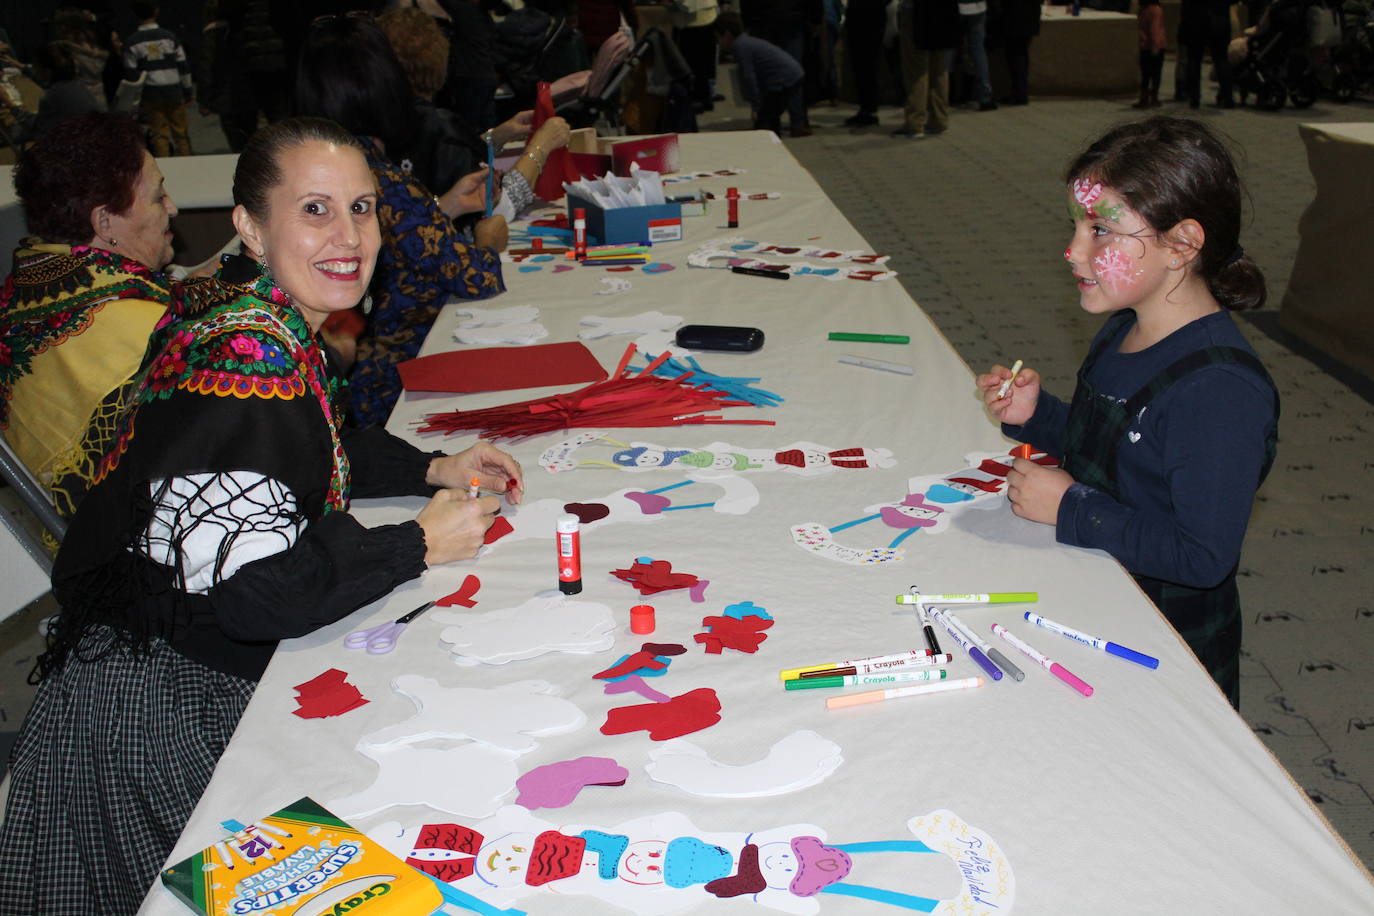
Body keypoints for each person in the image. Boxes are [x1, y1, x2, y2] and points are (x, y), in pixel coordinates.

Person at [0, 116, 525, 914]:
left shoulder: (245, 309)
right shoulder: (247, 360)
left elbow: (309, 439)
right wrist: (415, 542)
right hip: (165, 711)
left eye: (363, 208)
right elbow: (255, 597)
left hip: (159, 658)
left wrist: (428, 466)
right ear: (248, 224)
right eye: (314, 210)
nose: (349, 235)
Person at [977, 117, 1278, 709]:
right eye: (1075, 226)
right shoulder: (1123, 331)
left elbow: (1201, 555)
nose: (1073, 250)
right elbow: (1113, 454)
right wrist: (1038, 417)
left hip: (1164, 644)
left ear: (1182, 245)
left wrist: (1071, 507)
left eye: (1100, 231)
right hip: (1099, 592)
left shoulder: (1218, 393)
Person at [293, 13, 507, 428]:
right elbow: (475, 277)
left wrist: (440, 209)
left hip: (334, 385)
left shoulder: (308, 172)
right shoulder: (377, 180)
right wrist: (487, 240)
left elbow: (384, 238)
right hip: (392, 389)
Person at [0, 113, 177, 519]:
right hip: (136, 553)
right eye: (157, 197)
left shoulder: (25, 295)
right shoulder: (150, 330)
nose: (173, 208)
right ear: (104, 222)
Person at [376, 5, 571, 217]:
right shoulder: (437, 126)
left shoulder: (384, 119)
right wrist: (540, 147)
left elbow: (442, 160)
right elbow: (494, 208)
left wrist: (494, 138)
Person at [713, 13, 807, 137]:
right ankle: (774, 136)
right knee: (770, 115)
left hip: (784, 79)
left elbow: (748, 78)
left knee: (763, 121)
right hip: (791, 75)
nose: (718, 43)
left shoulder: (741, 47)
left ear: (727, 34)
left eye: (718, 38)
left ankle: (768, 140)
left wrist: (756, 105)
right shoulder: (746, 42)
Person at [122, 0, 194, 156]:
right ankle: (189, 165)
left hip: (151, 94)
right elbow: (183, 66)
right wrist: (188, 90)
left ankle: (166, 170)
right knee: (181, 133)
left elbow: (132, 74)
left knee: (159, 135)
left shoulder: (132, 42)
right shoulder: (169, 37)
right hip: (174, 91)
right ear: (156, 11)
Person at [893, 0, 960, 138]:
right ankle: (939, 120)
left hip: (916, 13)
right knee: (940, 70)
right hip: (943, 12)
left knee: (916, 70)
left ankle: (915, 123)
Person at [842, 0, 889, 127]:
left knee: (864, 67)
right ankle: (867, 108)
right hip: (873, 18)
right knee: (867, 67)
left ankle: (868, 109)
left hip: (862, 18)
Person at [1180, 0, 1235, 107]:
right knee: (1221, 60)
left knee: (1194, 60)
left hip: (1195, 21)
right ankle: (1228, 97)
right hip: (1219, 21)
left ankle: (1194, 97)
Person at [1135, 0, 1167, 108]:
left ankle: (1144, 98)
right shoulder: (1156, 10)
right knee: (1156, 74)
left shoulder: (1143, 9)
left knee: (1145, 75)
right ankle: (1154, 98)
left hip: (1144, 45)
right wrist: (1156, 45)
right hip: (1155, 45)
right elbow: (1155, 29)